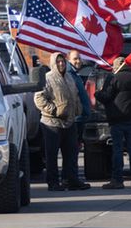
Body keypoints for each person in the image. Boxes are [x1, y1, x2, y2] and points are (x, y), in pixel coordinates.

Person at [33, 52, 89, 191]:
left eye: (63, 61)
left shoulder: (70, 77)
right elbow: (39, 98)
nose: (61, 64)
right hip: (51, 124)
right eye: (58, 62)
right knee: (52, 156)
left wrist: (78, 109)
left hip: (70, 122)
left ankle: (71, 181)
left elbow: (75, 95)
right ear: (53, 63)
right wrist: (53, 111)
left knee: (71, 153)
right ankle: (53, 183)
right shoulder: (47, 78)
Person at [95, 54, 131, 188]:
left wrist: (97, 93)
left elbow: (106, 97)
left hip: (117, 119)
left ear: (117, 66)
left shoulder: (113, 78)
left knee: (118, 150)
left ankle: (117, 180)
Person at [67, 50, 94, 157]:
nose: (78, 61)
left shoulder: (75, 74)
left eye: (79, 58)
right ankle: (71, 174)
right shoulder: (69, 75)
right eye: (75, 59)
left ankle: (73, 173)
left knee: (75, 150)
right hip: (75, 119)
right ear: (68, 59)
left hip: (80, 118)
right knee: (72, 152)